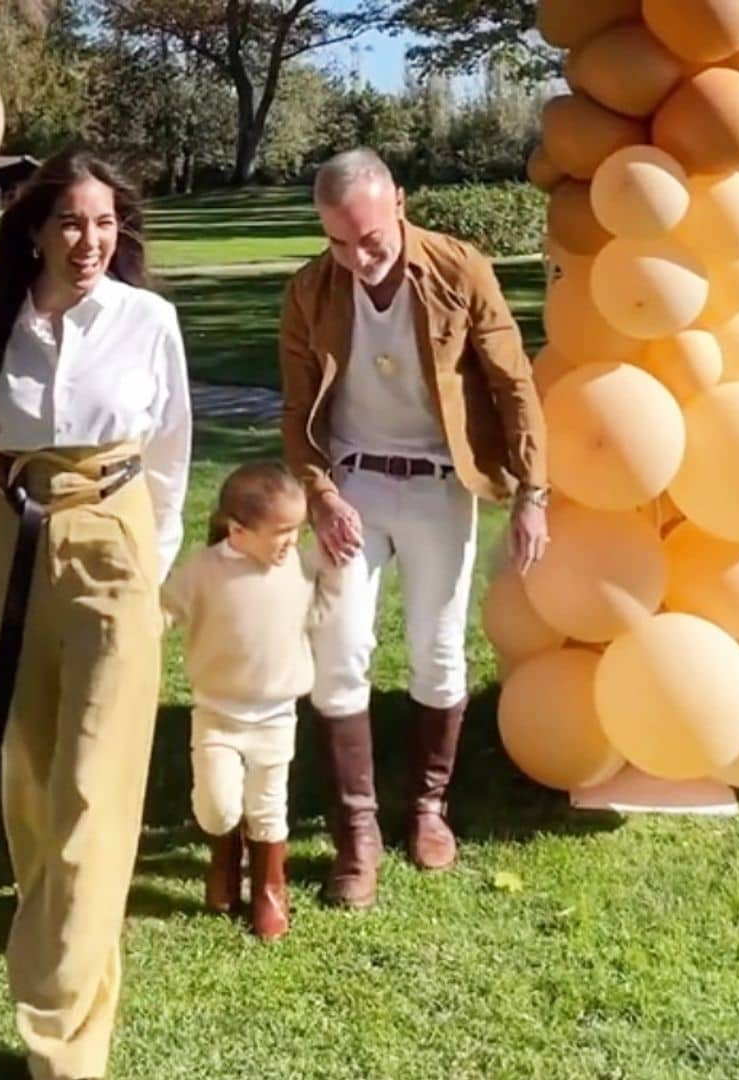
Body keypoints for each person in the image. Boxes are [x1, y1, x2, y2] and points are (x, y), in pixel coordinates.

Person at [0, 146, 191, 1080]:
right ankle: (68, 986)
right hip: (10, 553)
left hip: (112, 546)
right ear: (35, 231)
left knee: (96, 790)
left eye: (103, 223)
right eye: (70, 223)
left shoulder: (148, 320)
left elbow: (171, 455)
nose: (89, 241)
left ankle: (56, 1029)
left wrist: (147, 567)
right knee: (33, 784)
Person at [279, 148, 548, 910]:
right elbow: (297, 413)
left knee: (438, 648)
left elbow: (511, 382)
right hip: (353, 482)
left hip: (440, 485)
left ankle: (429, 809)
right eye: (337, 242)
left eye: (369, 239)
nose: (357, 259)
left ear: (398, 202)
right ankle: (356, 835)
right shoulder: (309, 291)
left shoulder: (460, 269)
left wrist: (534, 488)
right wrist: (322, 496)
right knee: (338, 650)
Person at [161, 463, 340, 941]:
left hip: (277, 715)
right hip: (217, 714)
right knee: (218, 807)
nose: (291, 541)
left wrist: (337, 574)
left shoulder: (300, 568)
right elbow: (166, 608)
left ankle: (268, 888)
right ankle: (225, 854)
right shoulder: (204, 570)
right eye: (281, 532)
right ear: (238, 530)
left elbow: (319, 611)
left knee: (269, 806)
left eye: (297, 531)